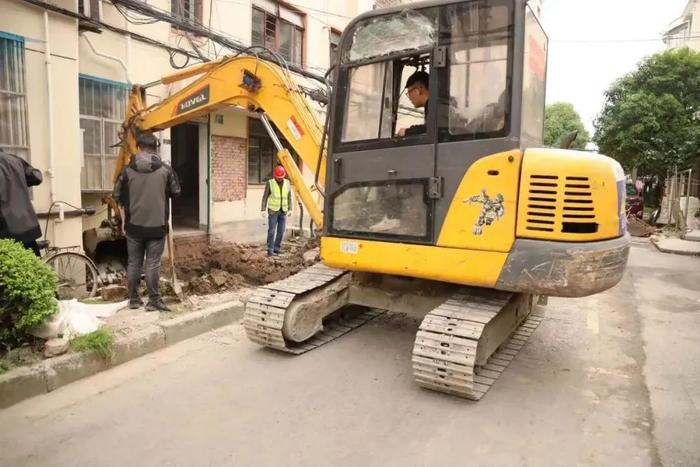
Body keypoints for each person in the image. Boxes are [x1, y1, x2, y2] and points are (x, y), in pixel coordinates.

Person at [113, 132, 181, 311]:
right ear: (155, 148)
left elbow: (116, 195)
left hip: (134, 226)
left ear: (138, 147)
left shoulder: (127, 171)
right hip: (157, 226)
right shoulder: (166, 170)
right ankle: (153, 301)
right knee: (153, 263)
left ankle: (134, 300)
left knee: (134, 262)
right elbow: (176, 192)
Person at [0, 149, 43, 256]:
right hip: (26, 227)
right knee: (34, 268)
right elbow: (36, 177)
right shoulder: (15, 160)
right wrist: (19, 179)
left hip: (4, 228)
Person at [261, 165, 292, 257]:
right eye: (278, 177)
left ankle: (276, 248)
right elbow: (265, 196)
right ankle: (270, 250)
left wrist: (290, 208)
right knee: (271, 231)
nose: (279, 179)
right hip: (273, 211)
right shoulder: (270, 183)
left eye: (281, 177)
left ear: (284, 176)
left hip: (283, 211)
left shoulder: (287, 183)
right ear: (275, 176)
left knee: (281, 231)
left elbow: (289, 197)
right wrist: (263, 209)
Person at [398, 70, 430, 137]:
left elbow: (431, 129)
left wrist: (407, 131)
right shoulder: (434, 103)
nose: (409, 97)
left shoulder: (433, 105)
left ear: (419, 89)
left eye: (409, 92)